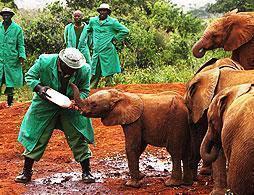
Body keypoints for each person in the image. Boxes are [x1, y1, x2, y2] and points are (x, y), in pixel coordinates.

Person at [15, 48, 95, 184]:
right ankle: (26, 172)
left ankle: (87, 171)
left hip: (70, 107)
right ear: (60, 62)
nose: (73, 71)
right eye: (70, 68)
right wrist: (39, 88)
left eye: (75, 68)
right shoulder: (44, 61)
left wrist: (77, 101)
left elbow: (85, 90)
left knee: (77, 135)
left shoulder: (84, 69)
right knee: (37, 135)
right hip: (44, 104)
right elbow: (30, 76)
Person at [85, 3, 129, 88]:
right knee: (94, 73)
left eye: (104, 10)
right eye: (101, 10)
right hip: (96, 52)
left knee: (108, 74)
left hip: (108, 52)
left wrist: (115, 38)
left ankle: (108, 92)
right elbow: (87, 30)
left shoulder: (113, 22)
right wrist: (90, 42)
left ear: (108, 12)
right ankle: (90, 92)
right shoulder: (93, 21)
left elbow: (125, 31)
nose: (102, 12)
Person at [0, 7, 26, 107]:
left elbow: (20, 44)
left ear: (11, 16)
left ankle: (10, 103)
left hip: (11, 59)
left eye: (8, 15)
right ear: (2, 16)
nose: (6, 16)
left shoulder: (17, 29)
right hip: (0, 59)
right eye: (4, 15)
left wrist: (21, 56)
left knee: (10, 82)